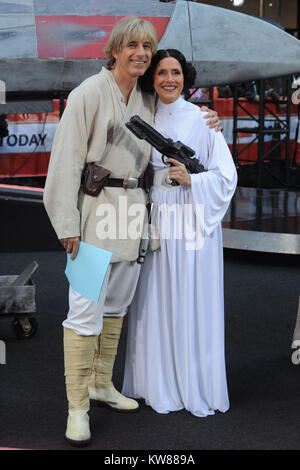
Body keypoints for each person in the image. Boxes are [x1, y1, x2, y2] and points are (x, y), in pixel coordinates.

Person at [43, 18, 221, 445]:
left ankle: (101, 384)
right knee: (84, 311)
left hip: (133, 216)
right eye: (133, 46)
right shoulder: (88, 93)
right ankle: (77, 408)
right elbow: (64, 163)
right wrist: (67, 225)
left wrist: (205, 114)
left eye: (148, 46)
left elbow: (177, 112)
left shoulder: (146, 97)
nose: (141, 53)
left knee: (116, 306)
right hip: (92, 215)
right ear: (116, 49)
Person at [122, 49, 237, 417]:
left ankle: (191, 385)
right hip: (157, 218)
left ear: (185, 76)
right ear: (151, 78)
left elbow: (226, 177)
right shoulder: (145, 113)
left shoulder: (204, 120)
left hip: (192, 218)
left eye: (175, 72)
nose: (169, 79)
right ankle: (153, 382)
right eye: (161, 73)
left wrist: (194, 179)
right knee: (153, 297)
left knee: (190, 296)